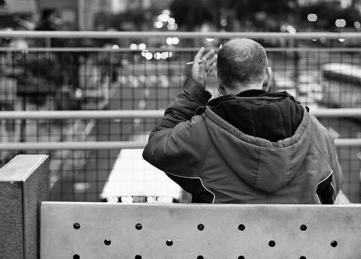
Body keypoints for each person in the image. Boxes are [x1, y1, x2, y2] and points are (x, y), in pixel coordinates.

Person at [143, 38, 343, 204]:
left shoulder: (200, 132)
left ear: (220, 84)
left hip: (223, 248)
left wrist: (194, 92)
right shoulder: (316, 132)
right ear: (268, 77)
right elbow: (332, 190)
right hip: (298, 249)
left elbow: (156, 147)